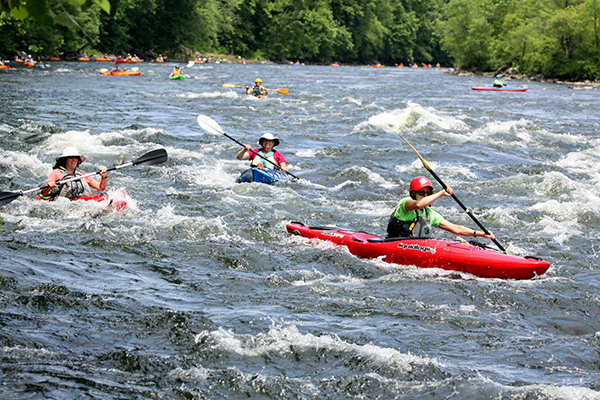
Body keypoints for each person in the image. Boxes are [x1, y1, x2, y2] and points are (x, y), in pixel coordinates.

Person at [386, 176, 495, 240]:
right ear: (414, 194)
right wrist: (441, 193)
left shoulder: (429, 214)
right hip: (395, 243)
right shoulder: (405, 204)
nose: (426, 195)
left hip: (417, 247)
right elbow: (418, 204)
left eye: (428, 192)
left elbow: (455, 228)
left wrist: (479, 233)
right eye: (422, 192)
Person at [39, 147, 107, 200]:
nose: (74, 160)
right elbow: (44, 193)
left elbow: (100, 187)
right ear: (65, 159)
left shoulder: (82, 174)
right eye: (71, 157)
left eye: (76, 157)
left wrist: (103, 177)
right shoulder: (56, 172)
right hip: (65, 205)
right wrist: (48, 187)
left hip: (83, 203)